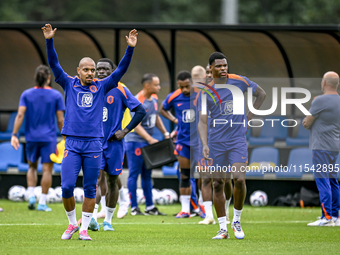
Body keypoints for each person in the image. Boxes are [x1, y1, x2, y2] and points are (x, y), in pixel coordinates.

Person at [41, 23, 137, 241]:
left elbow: (121, 69)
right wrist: (49, 41)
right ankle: (72, 224)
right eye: (86, 69)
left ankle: (84, 229)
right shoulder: (68, 83)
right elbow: (54, 63)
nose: (90, 73)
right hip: (73, 143)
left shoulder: (102, 86)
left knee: (90, 189)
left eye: (93, 70)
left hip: (94, 143)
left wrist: (130, 48)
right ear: (78, 71)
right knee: (66, 187)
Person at [198, 52, 266, 239]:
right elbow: (202, 121)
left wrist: (248, 118)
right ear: (210, 69)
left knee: (239, 179)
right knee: (218, 183)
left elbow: (261, 94)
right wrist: (204, 144)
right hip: (216, 142)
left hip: (237, 139)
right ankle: (222, 229)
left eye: (225, 65)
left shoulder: (239, 81)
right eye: (218, 66)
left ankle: (236, 220)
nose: (223, 69)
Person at [87, 58, 146, 231]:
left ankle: (108, 221)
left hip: (114, 144)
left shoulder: (121, 89)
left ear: (113, 71)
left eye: (106, 69)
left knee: (112, 181)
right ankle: (90, 217)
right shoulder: (91, 87)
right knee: (95, 179)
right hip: (95, 142)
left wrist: (125, 131)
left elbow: (140, 111)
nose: (101, 72)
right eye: (99, 69)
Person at [11, 65, 65, 212]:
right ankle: (42, 202)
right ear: (49, 78)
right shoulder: (56, 95)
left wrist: (14, 135)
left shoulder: (26, 94)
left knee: (32, 167)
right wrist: (66, 137)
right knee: (47, 169)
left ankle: (31, 195)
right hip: (49, 138)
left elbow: (20, 115)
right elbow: (60, 120)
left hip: (31, 138)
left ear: (35, 78)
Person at [160, 70, 205, 219]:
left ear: (192, 82)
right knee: (184, 175)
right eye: (182, 87)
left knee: (204, 176)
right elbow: (162, 109)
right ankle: (185, 210)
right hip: (183, 141)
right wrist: (174, 120)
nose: (185, 90)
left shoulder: (201, 95)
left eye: (187, 86)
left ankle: (204, 207)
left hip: (200, 141)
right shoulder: (174, 96)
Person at [192, 65, 233, 225]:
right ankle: (208, 215)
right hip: (204, 142)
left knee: (225, 181)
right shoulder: (200, 96)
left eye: (211, 73)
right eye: (207, 73)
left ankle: (226, 209)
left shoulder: (227, 93)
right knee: (206, 178)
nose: (209, 76)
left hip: (224, 142)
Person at [124, 73, 168, 216]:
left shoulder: (154, 99)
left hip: (146, 142)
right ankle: (134, 207)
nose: (159, 87)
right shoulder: (137, 101)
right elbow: (136, 126)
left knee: (147, 174)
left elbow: (156, 118)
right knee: (134, 174)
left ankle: (150, 207)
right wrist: (150, 139)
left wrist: (165, 133)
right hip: (135, 142)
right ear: (147, 85)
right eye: (156, 84)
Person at [303, 71, 340, 227]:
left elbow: (306, 123)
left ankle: (326, 217)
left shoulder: (320, 101)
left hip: (321, 147)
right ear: (337, 84)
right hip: (334, 146)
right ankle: (335, 216)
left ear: (324, 83)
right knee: (333, 180)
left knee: (323, 180)